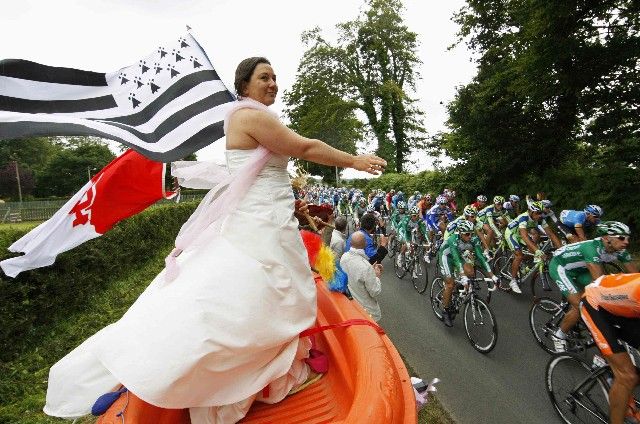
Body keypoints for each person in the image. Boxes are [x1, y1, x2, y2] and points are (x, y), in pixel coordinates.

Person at [43, 57, 386, 423]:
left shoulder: (249, 116)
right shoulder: (248, 117)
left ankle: (263, 371)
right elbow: (304, 147)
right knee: (268, 292)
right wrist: (354, 160)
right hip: (260, 222)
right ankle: (229, 381)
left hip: (269, 215)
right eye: (263, 77)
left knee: (271, 293)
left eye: (275, 77)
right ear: (244, 85)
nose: (272, 83)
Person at [549, 221, 637, 353]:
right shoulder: (592, 249)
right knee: (582, 306)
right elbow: (599, 285)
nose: (626, 242)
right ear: (607, 238)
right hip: (561, 267)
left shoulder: (621, 251)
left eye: (627, 238)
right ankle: (558, 335)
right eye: (621, 237)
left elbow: (636, 278)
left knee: (596, 300)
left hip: (581, 269)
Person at [581, 273, 640, 424]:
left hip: (624, 308)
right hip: (594, 304)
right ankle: (617, 371)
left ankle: (611, 365)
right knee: (628, 376)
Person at [437, 220, 499, 327]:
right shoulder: (453, 240)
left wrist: (493, 276)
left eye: (472, 233)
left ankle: (458, 291)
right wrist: (462, 276)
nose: (470, 236)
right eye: (467, 234)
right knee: (450, 284)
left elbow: (481, 258)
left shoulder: (473, 240)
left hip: (458, 256)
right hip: (446, 257)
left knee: (470, 272)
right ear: (460, 233)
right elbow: (456, 259)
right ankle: (445, 310)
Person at [503, 201, 562, 293]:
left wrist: (561, 249)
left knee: (533, 247)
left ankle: (523, 263)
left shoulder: (540, 219)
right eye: (538, 213)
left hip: (520, 234)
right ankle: (513, 280)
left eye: (541, 213)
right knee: (519, 255)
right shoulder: (524, 218)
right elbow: (524, 236)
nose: (540, 215)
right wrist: (537, 250)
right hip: (511, 234)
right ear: (530, 211)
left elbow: (551, 234)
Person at [341, 231, 384, 322]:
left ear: (351, 243)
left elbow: (356, 274)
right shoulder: (365, 266)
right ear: (365, 244)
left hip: (351, 304)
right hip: (366, 311)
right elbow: (375, 291)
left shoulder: (344, 257)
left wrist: (371, 271)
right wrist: (376, 276)